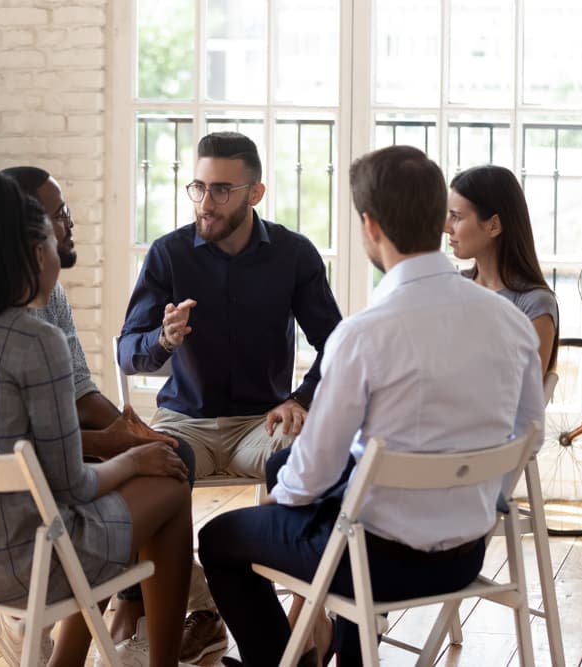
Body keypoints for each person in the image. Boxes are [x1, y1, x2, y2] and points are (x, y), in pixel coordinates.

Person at [198, 146, 546, 666]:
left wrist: (280, 500)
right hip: (467, 552)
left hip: (371, 564)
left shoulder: (363, 335)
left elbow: (313, 470)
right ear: (436, 219)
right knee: (322, 490)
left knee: (220, 537)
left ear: (371, 227)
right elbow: (530, 432)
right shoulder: (509, 322)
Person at [0, 169, 194, 667]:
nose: (62, 246)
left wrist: (125, 448)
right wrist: (133, 459)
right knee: (166, 488)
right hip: (21, 567)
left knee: (141, 481)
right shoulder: (35, 341)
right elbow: (75, 487)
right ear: (36, 254)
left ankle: (86, 649)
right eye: (53, 236)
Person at [116, 132, 343, 663]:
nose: (205, 202)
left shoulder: (293, 254)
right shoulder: (168, 253)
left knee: (305, 463)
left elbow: (336, 345)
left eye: (221, 190)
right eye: (198, 187)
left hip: (261, 421)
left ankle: (307, 615)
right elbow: (129, 352)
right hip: (185, 418)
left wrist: (302, 399)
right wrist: (162, 340)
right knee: (152, 470)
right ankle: (192, 605)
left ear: (254, 193)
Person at [446, 164, 559, 375]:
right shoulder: (454, 287)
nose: (446, 227)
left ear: (494, 226)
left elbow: (526, 396)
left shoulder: (534, 304)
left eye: (457, 217)